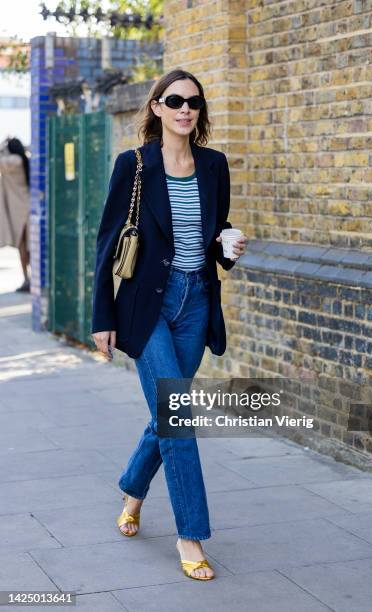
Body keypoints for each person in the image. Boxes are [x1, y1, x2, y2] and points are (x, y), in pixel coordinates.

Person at [91, 68, 248, 581]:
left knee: (166, 413)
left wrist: (229, 244)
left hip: (195, 302)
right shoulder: (134, 165)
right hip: (146, 308)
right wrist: (101, 316)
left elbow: (214, 232)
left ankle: (132, 491)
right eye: (174, 100)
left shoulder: (214, 165)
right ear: (156, 107)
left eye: (194, 103)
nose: (185, 109)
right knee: (178, 419)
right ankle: (191, 536)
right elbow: (108, 242)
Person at [0, 137, 31, 292]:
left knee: (23, 247)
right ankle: (29, 278)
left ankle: (28, 278)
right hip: (26, 206)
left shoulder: (14, 161)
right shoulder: (22, 159)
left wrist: (2, 145)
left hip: (21, 209)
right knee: (26, 246)